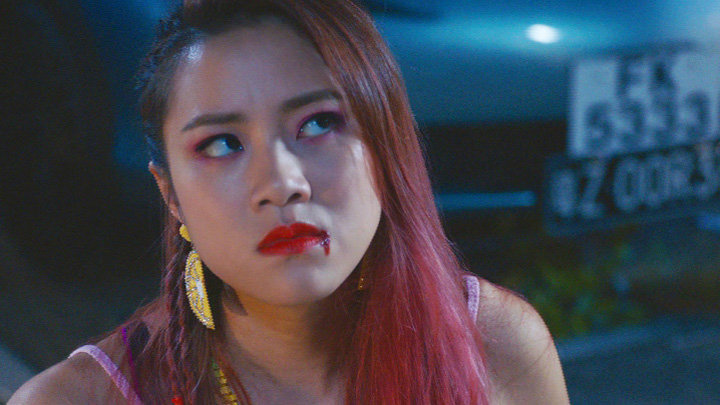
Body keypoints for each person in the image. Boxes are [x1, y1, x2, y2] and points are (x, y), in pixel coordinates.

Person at [10, 0, 569, 403]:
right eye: (222, 144)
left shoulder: (495, 346)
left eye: (318, 123)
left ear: (385, 144)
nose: (282, 183)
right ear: (171, 194)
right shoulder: (77, 399)